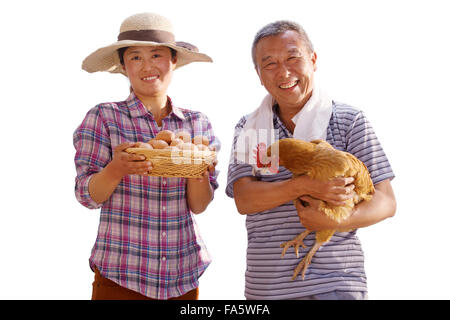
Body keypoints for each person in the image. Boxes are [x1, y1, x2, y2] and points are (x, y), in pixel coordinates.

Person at [226, 20, 396, 300]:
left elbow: (386, 201)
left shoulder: (348, 120)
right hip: (267, 287)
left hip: (335, 285)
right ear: (258, 74)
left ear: (313, 60)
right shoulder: (250, 128)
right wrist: (305, 186)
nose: (283, 71)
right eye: (269, 64)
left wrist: (335, 221)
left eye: (293, 57)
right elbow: (244, 199)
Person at [73, 12, 220, 300]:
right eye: (136, 57)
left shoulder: (197, 124)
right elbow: (86, 195)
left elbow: (199, 205)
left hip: (183, 275)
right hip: (121, 276)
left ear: (173, 60)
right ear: (123, 65)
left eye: (156, 55)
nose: (147, 66)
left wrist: (198, 171)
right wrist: (116, 169)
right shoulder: (104, 117)